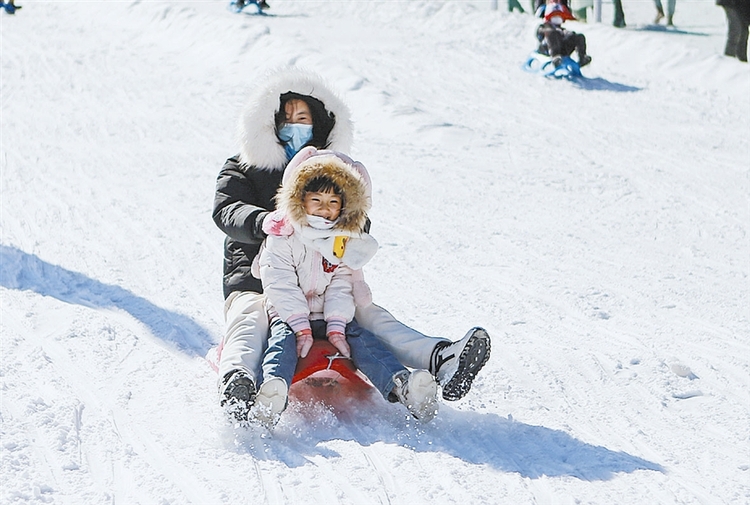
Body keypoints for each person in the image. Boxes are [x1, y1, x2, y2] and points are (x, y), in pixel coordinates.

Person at [212, 68, 491, 422]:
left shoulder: (334, 176)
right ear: (269, 125)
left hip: (325, 282)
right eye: (286, 119)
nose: (294, 126)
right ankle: (237, 383)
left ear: (319, 126)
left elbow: (358, 226)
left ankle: (441, 358)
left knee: (367, 314)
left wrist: (347, 228)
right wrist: (262, 221)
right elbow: (227, 210)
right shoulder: (243, 167)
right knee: (250, 318)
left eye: (303, 119)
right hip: (256, 279)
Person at [249, 148, 439, 427]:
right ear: (301, 200)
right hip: (288, 314)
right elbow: (279, 282)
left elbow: (341, 282)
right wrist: (300, 324)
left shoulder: (342, 239)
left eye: (332, 201)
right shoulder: (284, 235)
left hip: (328, 315)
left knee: (362, 339)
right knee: (282, 342)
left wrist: (337, 323)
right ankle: (272, 392)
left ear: (343, 205)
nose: (324, 208)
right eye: (316, 200)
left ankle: (402, 385)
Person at [535, 1, 592, 68]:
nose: (558, 18)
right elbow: (539, 34)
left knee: (579, 36)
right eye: (555, 15)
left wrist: (570, 35)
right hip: (547, 49)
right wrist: (549, 32)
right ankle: (555, 57)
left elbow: (565, 33)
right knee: (553, 33)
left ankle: (582, 57)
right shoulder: (544, 27)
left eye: (560, 16)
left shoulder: (560, 29)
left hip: (562, 50)